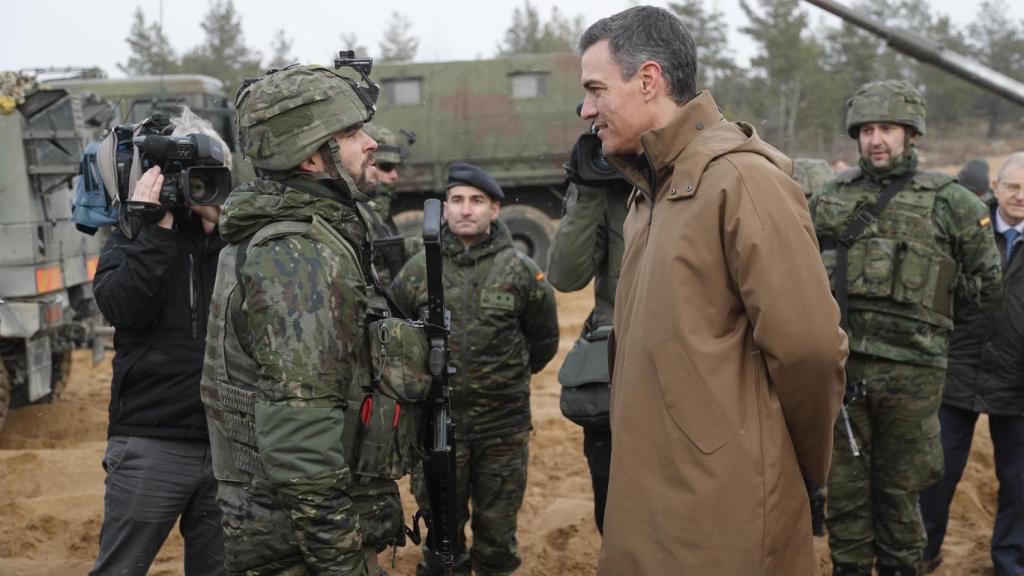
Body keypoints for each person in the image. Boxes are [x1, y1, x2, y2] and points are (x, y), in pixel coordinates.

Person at [577, 7, 848, 575]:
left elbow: (810, 352)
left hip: (725, 521)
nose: (586, 111)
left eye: (596, 90)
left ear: (648, 80)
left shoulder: (742, 181)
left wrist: (785, 470)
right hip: (652, 507)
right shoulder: (650, 195)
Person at [201, 64, 416, 575]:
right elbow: (299, 441)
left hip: (292, 531)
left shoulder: (307, 233)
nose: (369, 145)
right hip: (299, 542)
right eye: (348, 134)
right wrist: (342, 563)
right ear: (309, 157)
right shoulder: (298, 254)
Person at [809, 80, 1003, 576]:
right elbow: (800, 277)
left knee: (900, 496)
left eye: (888, 129)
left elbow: (984, 286)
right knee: (846, 498)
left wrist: (931, 327)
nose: (877, 140)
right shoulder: (830, 199)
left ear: (911, 134)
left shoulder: (953, 203)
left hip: (914, 377)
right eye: (868, 130)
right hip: (844, 372)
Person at [391, 162, 560, 576]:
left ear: (495, 210)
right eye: (457, 200)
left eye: (477, 201)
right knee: (441, 543)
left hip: (501, 429)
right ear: (444, 208)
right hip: (436, 430)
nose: (466, 210)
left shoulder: (520, 271)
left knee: (497, 540)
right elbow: (392, 342)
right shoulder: (418, 271)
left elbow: (543, 341)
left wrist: (502, 382)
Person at [90, 108, 228, 576]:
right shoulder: (130, 237)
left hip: (228, 444)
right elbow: (123, 308)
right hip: (151, 441)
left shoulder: (237, 244)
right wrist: (156, 227)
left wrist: (220, 227)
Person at [919, 152, 1024, 576]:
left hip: (1018, 383)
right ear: (995, 187)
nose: (1021, 196)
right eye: (1013, 186)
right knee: (935, 473)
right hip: (957, 372)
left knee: (1019, 484)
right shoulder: (965, 229)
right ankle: (923, 555)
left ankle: (1010, 562)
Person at [547, 174, 629, 535]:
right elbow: (565, 275)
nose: (592, 113)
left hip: (692, 382)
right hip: (616, 380)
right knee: (614, 520)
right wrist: (588, 186)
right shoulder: (610, 190)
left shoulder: (710, 175)